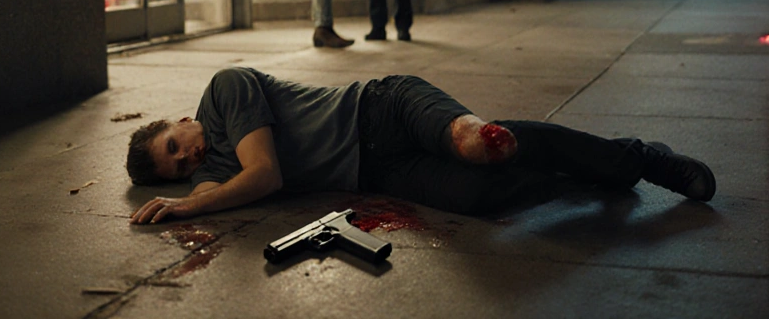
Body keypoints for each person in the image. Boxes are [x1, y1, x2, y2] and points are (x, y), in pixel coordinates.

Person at [126, 67, 716, 225]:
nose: (187, 159)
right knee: (481, 197)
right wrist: (192, 198)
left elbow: (265, 177)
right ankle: (594, 167)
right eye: (175, 169)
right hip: (379, 172)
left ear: (182, 119)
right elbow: (221, 190)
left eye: (176, 144)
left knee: (478, 146)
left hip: (386, 108)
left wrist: (194, 201)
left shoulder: (226, 92)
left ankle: (641, 158)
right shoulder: (212, 178)